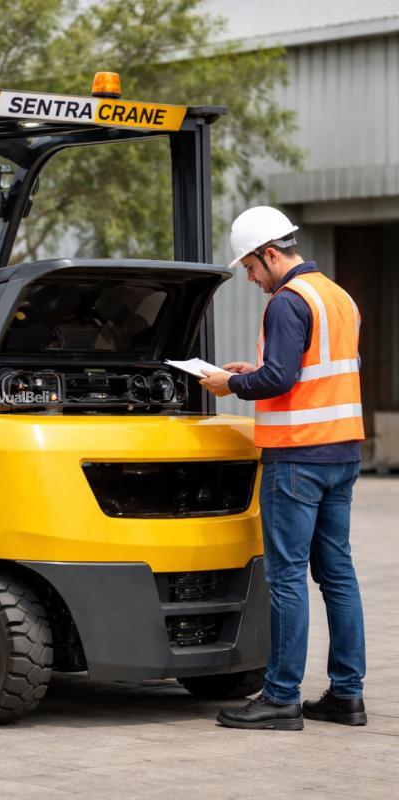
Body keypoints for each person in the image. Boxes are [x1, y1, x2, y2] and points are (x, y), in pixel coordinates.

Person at [200, 206, 367, 731]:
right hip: (342, 454)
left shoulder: (287, 301)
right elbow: (317, 372)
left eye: (251, 267)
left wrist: (232, 384)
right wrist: (259, 370)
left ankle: (280, 697)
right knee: (338, 575)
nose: (251, 278)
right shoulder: (338, 296)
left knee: (287, 578)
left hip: (296, 457)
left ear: (271, 254)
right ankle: (347, 695)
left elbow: (281, 379)